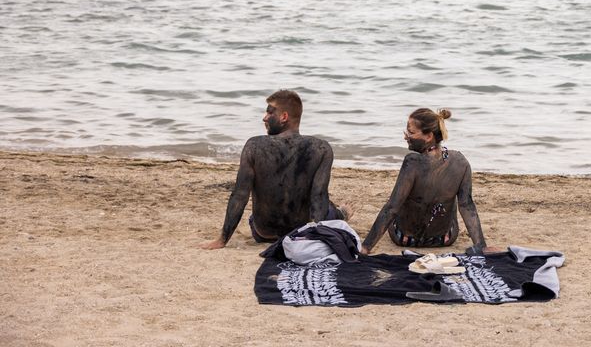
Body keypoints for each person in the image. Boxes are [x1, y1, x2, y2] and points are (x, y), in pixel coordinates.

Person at [200, 89, 345, 250]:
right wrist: (318, 240)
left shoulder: (253, 146)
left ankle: (340, 213)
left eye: (270, 112)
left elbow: (240, 195)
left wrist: (222, 240)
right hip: (299, 233)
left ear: (284, 117)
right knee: (329, 206)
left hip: (262, 233)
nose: (264, 117)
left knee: (253, 216)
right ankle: (342, 214)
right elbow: (318, 199)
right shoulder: (321, 149)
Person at [360, 108, 496, 255]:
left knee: (400, 200)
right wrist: (481, 245)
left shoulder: (412, 162)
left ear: (429, 136)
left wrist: (366, 247)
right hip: (445, 239)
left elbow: (392, 208)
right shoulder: (460, 161)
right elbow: (467, 206)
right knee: (450, 192)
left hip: (404, 239)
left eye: (411, 133)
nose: (406, 137)